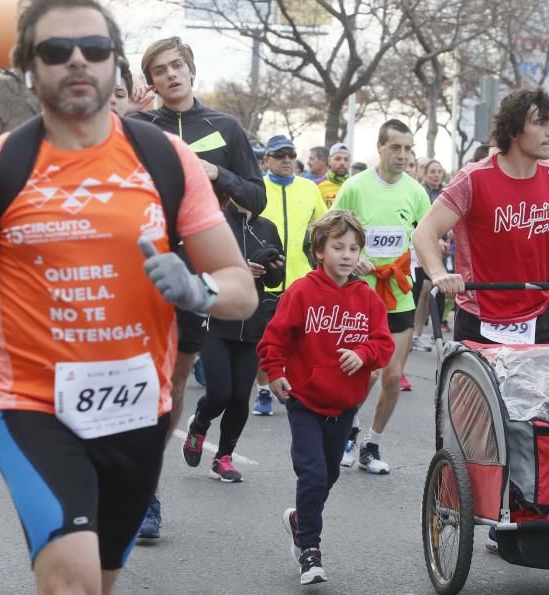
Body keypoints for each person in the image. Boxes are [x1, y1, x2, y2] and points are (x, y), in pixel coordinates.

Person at [0, 1, 258, 592]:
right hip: (33, 407)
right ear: (27, 68)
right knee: (69, 580)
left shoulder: (165, 160)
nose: (77, 60)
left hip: (135, 410)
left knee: (99, 581)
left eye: (94, 49)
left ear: (114, 65)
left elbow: (240, 288)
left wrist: (197, 287)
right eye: (55, 50)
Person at [129, 35, 266, 536]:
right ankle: (145, 496)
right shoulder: (140, 127)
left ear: (191, 70)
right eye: (160, 70)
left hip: (202, 272)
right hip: (146, 267)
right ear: (151, 81)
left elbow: (258, 197)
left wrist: (216, 172)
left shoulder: (225, 127)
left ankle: (145, 478)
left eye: (177, 66)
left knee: (176, 384)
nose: (171, 75)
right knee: (142, 379)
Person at [414, 87, 549, 345]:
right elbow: (424, 232)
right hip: (481, 318)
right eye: (540, 123)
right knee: (484, 387)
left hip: (538, 316)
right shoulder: (474, 178)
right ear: (513, 131)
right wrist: (439, 273)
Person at [258, 210, 395, 585]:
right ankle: (309, 551)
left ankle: (299, 521)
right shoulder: (301, 291)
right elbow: (274, 339)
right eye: (338, 247)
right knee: (313, 473)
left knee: (329, 473)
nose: (347, 255)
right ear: (320, 250)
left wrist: (363, 354)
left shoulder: (367, 298)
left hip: (344, 405)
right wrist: (275, 373)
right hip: (303, 400)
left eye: (354, 248)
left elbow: (383, 345)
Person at [332, 119, 430, 474]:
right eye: (395, 148)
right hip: (359, 296)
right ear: (380, 148)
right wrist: (353, 257)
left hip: (398, 294)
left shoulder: (416, 192)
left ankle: (371, 445)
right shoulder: (356, 188)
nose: (403, 155)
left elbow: (428, 235)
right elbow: (328, 234)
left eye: (408, 148)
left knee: (391, 376)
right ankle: (348, 432)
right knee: (365, 374)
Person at [182, 184, 284, 482]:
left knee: (241, 396)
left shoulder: (267, 227)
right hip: (217, 320)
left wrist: (269, 267)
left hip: (253, 322)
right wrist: (240, 268)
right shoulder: (214, 221)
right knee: (220, 393)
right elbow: (198, 267)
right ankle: (199, 423)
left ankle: (223, 456)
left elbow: (278, 277)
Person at [251, 135, 327, 416]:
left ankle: (293, 387)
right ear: (267, 159)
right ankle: (262, 392)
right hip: (265, 277)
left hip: (300, 278)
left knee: (300, 341)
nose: (286, 160)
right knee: (265, 341)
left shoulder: (309, 189)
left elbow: (324, 227)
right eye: (280, 155)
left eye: (291, 155)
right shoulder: (257, 187)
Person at [411, 159, 448, 353]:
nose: (436, 175)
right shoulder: (420, 192)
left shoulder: (443, 193)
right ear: (424, 173)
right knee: (422, 290)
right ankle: (413, 333)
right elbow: (420, 223)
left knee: (430, 290)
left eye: (439, 171)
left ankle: (417, 333)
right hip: (420, 248)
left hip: (439, 249)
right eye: (432, 171)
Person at [315, 142, 351, 208]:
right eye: (338, 159)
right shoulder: (316, 185)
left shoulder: (354, 185)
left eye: (346, 159)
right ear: (329, 161)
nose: (342, 163)